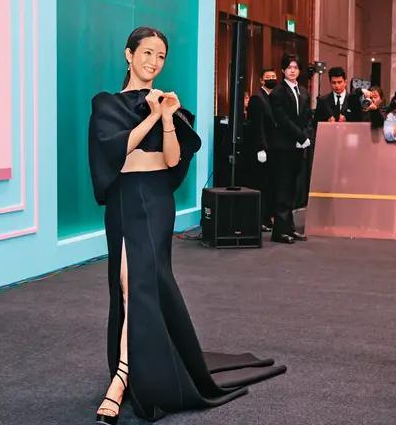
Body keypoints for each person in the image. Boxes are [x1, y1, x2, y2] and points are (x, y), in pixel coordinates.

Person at [88, 27, 286, 424]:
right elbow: (115, 148)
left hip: (156, 202)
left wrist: (166, 117)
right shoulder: (106, 103)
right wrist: (152, 114)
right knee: (127, 286)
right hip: (124, 200)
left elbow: (172, 161)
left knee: (138, 286)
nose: (153, 62)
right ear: (128, 54)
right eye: (147, 53)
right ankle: (134, 368)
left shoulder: (170, 105)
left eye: (161, 56)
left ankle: (122, 379)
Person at [269, 53, 313, 244]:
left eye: (295, 67)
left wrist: (305, 136)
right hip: (283, 147)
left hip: (298, 146)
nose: (292, 70)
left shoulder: (303, 91)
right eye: (289, 67)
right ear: (283, 70)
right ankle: (279, 231)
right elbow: (282, 119)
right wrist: (300, 137)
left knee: (294, 189)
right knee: (283, 189)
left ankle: (290, 228)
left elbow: (307, 117)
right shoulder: (278, 92)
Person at [244, 69, 278, 231]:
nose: (271, 79)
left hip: (274, 148)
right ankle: (260, 219)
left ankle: (267, 218)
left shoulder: (275, 97)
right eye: (268, 77)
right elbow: (257, 126)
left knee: (270, 184)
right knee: (261, 185)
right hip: (261, 149)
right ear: (262, 81)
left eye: (273, 77)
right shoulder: (257, 99)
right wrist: (260, 148)